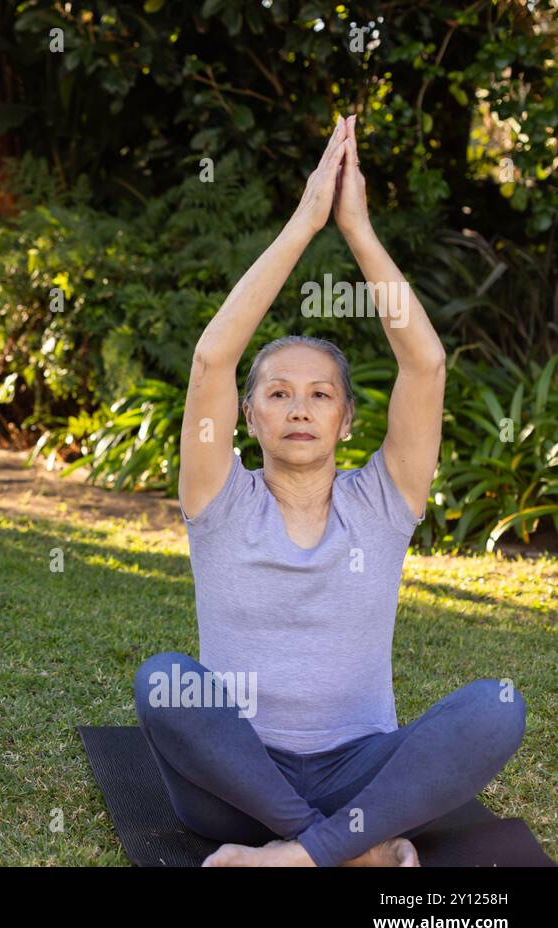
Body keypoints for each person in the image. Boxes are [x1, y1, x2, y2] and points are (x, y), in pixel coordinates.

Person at [134, 114, 526, 866]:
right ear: (248, 417)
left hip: (361, 769)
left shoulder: (381, 503)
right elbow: (213, 360)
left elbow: (427, 366)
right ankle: (348, 846)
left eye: (319, 394)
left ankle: (295, 855)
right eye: (277, 393)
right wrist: (306, 217)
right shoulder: (220, 499)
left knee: (499, 707)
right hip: (234, 784)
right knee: (163, 680)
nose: (299, 406)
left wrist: (357, 229)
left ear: (346, 418)